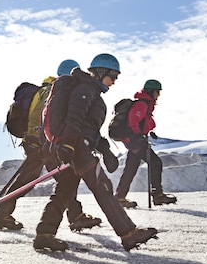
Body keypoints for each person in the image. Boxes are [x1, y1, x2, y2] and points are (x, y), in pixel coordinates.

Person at [33, 54, 159, 253]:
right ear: (101, 72)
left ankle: (44, 235)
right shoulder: (85, 89)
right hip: (77, 147)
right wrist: (68, 145)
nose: (115, 80)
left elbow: (88, 126)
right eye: (113, 75)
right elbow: (74, 118)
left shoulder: (90, 91)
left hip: (76, 145)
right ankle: (128, 233)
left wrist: (105, 149)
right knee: (102, 187)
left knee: (64, 192)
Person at [0, 59, 103, 233]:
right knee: (33, 180)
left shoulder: (59, 90)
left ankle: (75, 215)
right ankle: (2, 215)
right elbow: (38, 116)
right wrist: (32, 139)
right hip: (40, 144)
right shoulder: (50, 90)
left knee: (64, 179)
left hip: (45, 143)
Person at [114, 79, 178, 208]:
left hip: (133, 140)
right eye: (157, 92)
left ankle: (120, 197)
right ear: (151, 91)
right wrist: (138, 135)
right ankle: (158, 195)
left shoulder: (144, 104)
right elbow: (133, 120)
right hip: (135, 141)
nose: (158, 95)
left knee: (131, 168)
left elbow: (140, 121)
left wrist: (147, 132)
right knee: (155, 163)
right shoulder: (142, 104)